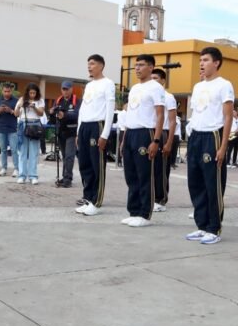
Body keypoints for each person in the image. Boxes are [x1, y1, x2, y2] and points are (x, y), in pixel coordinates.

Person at [185, 47, 235, 244]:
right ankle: (201, 225)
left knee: (212, 184)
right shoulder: (198, 86)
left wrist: (223, 146)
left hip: (213, 136)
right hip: (196, 136)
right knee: (195, 183)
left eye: (205, 60)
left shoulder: (224, 85)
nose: (201, 63)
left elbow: (228, 116)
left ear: (216, 62)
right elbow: (195, 113)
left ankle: (214, 228)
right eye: (200, 60)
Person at [118, 55, 166, 227]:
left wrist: (156, 140)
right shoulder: (135, 88)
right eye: (136, 65)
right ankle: (134, 211)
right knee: (131, 175)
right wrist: (124, 137)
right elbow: (131, 113)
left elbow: (160, 114)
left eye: (141, 65)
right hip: (131, 133)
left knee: (144, 174)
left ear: (151, 67)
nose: (137, 68)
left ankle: (144, 214)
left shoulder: (155, 88)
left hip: (146, 133)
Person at [75, 55, 116, 216]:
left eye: (92, 64)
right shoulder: (89, 85)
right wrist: (78, 130)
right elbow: (83, 109)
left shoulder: (108, 84)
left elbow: (110, 109)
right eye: (88, 64)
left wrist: (105, 134)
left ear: (101, 66)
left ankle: (96, 201)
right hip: (85, 126)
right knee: (84, 164)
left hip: (97, 125)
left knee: (96, 165)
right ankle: (87, 198)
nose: (89, 67)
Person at [150, 68, 177, 212]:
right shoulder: (149, 94)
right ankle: (151, 196)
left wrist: (169, 142)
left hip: (163, 133)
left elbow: (173, 121)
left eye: (156, 78)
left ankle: (161, 199)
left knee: (161, 169)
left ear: (163, 81)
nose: (153, 81)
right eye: (151, 78)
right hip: (150, 131)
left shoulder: (168, 97)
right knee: (150, 169)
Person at [52, 81, 81, 188]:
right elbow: (54, 114)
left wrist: (64, 115)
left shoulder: (76, 101)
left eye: (67, 89)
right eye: (63, 89)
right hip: (61, 132)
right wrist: (53, 112)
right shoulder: (58, 100)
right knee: (64, 156)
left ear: (71, 89)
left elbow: (77, 114)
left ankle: (68, 178)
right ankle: (65, 176)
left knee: (69, 156)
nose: (65, 91)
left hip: (72, 132)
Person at [14, 83, 45, 184]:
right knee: (22, 152)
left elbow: (41, 113)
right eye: (30, 93)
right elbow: (16, 114)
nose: (32, 95)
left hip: (35, 125)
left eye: (34, 93)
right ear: (27, 92)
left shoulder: (40, 101)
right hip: (23, 125)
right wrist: (19, 106)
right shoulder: (22, 99)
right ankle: (22, 175)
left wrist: (34, 107)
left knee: (33, 152)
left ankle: (33, 176)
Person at [0, 84, 19, 176]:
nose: (7, 93)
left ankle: (16, 169)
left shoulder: (16, 101)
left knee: (14, 149)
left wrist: (10, 110)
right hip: (0, 128)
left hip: (12, 129)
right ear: (2, 91)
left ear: (11, 91)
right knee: (3, 150)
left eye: (9, 91)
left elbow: (18, 114)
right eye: (5, 91)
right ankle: (3, 168)